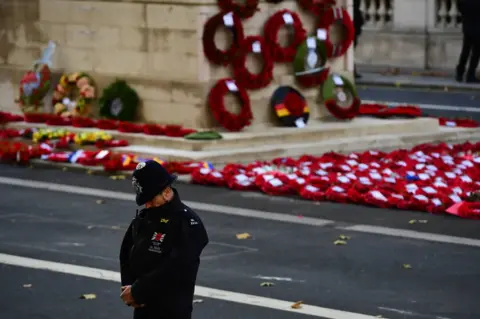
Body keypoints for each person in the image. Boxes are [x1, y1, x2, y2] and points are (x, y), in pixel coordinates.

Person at [119, 160, 209, 319]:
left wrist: (138, 291)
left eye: (150, 199)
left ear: (166, 192)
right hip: (143, 306)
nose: (147, 205)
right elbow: (127, 251)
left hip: (170, 311)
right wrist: (129, 288)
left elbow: (175, 267)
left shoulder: (188, 223)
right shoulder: (145, 217)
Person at [456, 0, 480, 83]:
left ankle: (460, 73)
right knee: (476, 53)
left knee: (465, 51)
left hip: (467, 26)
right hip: (477, 27)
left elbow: (460, 7)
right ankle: (470, 74)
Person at [353, 0, 365, 79]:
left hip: (355, 30)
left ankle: (353, 70)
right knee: (351, 51)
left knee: (351, 51)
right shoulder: (355, 10)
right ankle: (353, 70)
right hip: (354, 30)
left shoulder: (355, 10)